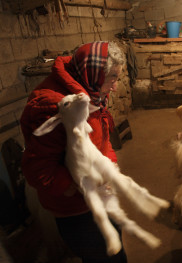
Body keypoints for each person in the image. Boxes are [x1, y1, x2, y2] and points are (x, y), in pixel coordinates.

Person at [20, 41, 128, 263]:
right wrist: (76, 186)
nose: (115, 87)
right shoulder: (55, 107)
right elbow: (37, 169)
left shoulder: (90, 92)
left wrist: (109, 163)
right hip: (78, 210)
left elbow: (101, 140)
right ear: (95, 74)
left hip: (99, 197)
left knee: (115, 244)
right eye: (113, 79)